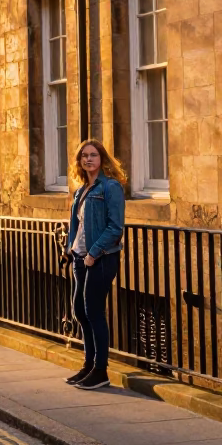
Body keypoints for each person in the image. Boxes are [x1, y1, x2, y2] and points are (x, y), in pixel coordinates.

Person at [64, 139, 127, 391]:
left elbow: (115, 227)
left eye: (93, 155)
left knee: (94, 312)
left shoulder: (110, 187)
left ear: (102, 159)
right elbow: (76, 225)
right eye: (84, 156)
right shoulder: (82, 190)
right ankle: (88, 365)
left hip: (100, 259)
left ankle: (101, 370)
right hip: (80, 259)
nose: (88, 159)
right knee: (80, 311)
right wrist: (70, 249)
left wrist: (93, 252)